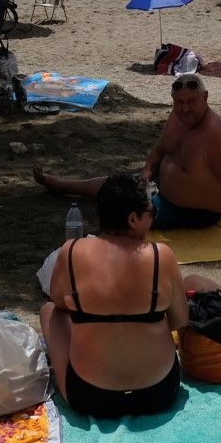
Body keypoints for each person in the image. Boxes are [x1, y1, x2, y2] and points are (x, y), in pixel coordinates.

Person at [42, 173, 188, 418]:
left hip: (90, 396)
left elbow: (58, 300)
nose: (153, 220)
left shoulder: (72, 252)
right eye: (152, 213)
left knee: (51, 311)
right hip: (158, 392)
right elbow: (180, 320)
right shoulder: (161, 256)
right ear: (133, 219)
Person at [36, 73, 221, 228]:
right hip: (157, 189)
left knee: (118, 208)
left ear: (205, 97)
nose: (185, 109)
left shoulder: (217, 136)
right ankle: (62, 185)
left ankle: (63, 186)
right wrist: (145, 177)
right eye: (179, 102)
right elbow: (158, 152)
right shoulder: (178, 118)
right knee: (116, 186)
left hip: (194, 213)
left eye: (192, 102)